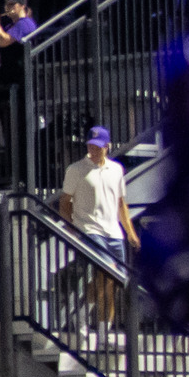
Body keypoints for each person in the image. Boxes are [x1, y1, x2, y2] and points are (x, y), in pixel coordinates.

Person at [61, 126, 137, 329]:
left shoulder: (116, 170)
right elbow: (64, 202)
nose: (93, 151)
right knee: (106, 273)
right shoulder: (76, 170)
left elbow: (121, 204)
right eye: (90, 146)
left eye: (98, 147)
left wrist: (130, 232)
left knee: (111, 282)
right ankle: (101, 332)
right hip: (89, 230)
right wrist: (71, 228)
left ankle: (86, 314)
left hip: (113, 232)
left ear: (107, 147)